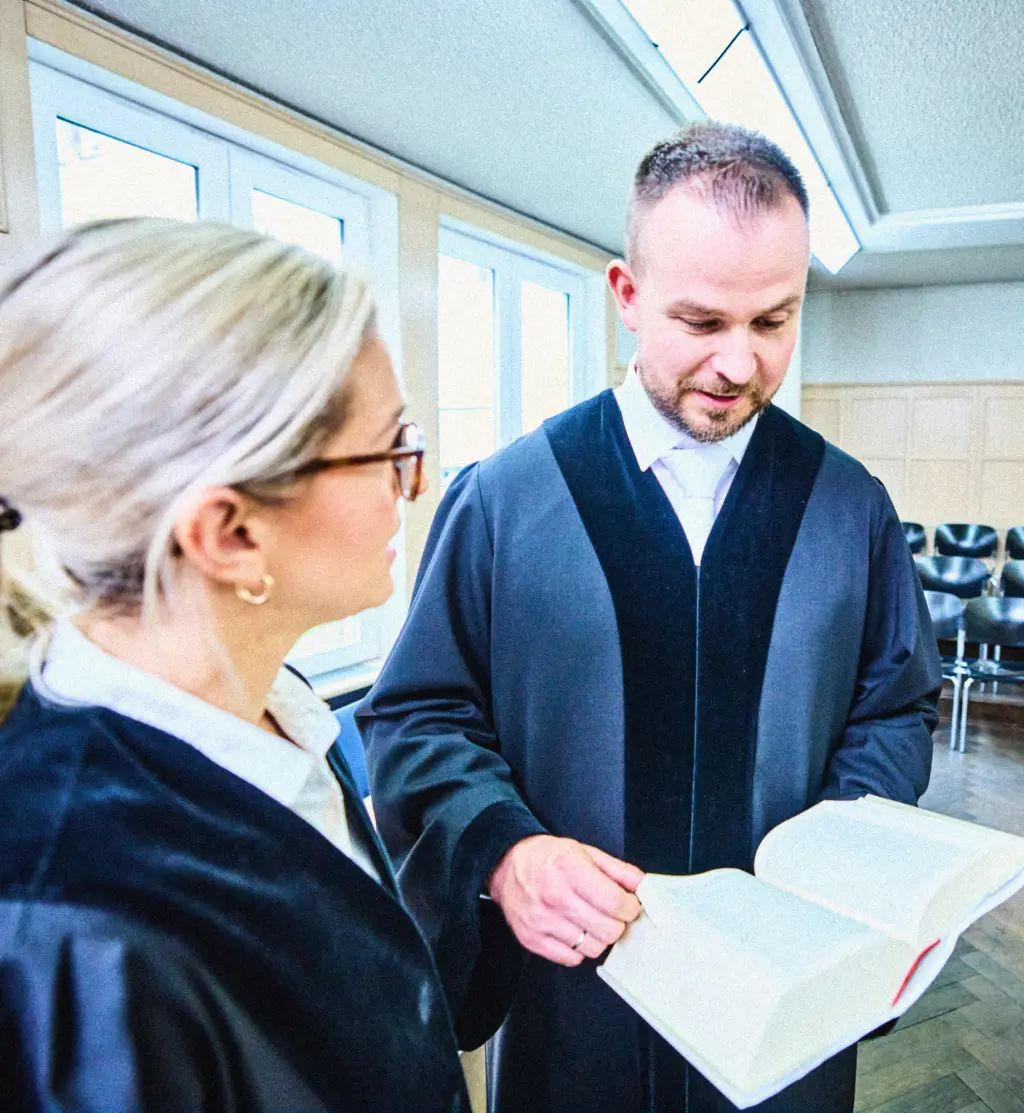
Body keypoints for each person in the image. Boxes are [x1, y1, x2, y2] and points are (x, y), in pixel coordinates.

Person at [359, 122, 942, 1113]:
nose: (738, 363)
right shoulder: (503, 501)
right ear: (626, 296)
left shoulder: (850, 509)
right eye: (700, 320)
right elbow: (419, 721)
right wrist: (505, 848)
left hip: (789, 994)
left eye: (774, 321)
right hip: (577, 996)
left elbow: (893, 711)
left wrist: (837, 856)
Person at [0, 218, 470, 1112]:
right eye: (389, 449)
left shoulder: (278, 721)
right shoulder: (66, 923)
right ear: (231, 533)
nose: (412, 484)